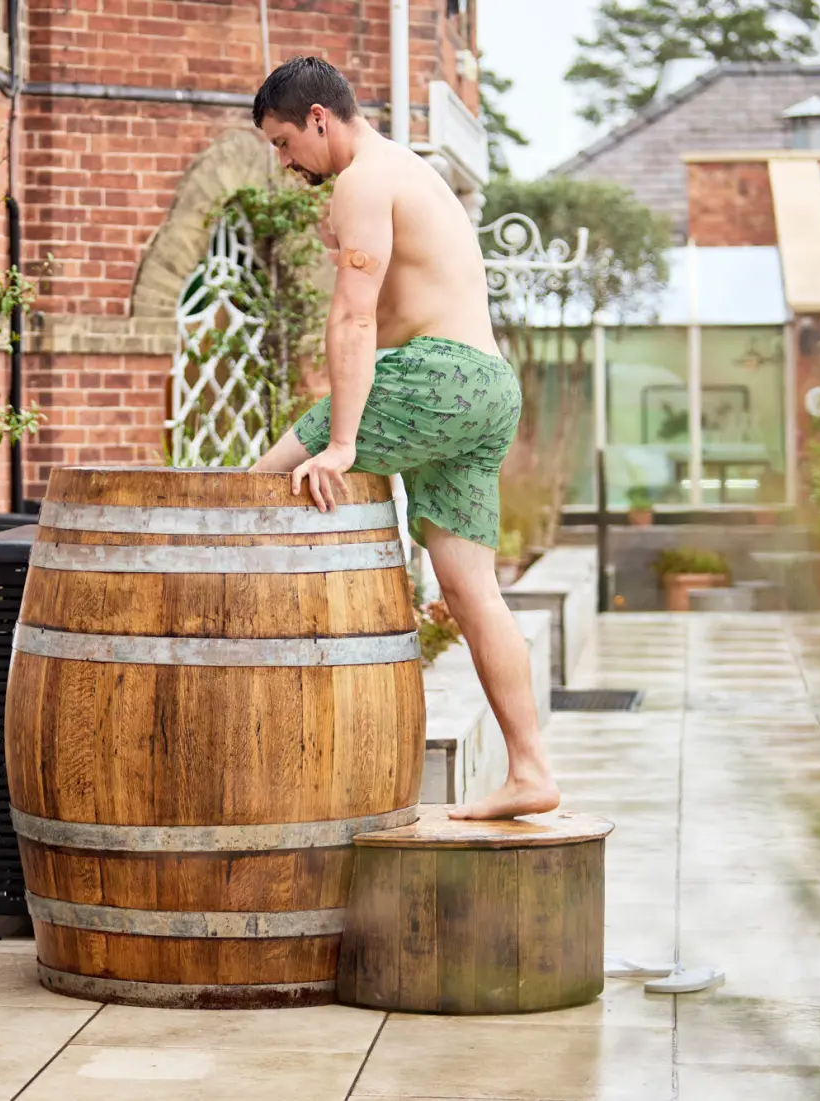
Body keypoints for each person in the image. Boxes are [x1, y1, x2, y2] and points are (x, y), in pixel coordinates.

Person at [248, 56, 558, 820]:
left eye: (285, 143)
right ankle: (530, 771)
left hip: (441, 376)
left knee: (259, 477)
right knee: (471, 589)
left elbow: (352, 317)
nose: (285, 164)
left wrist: (342, 442)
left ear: (319, 118)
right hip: (486, 385)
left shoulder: (363, 182)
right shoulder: (408, 171)